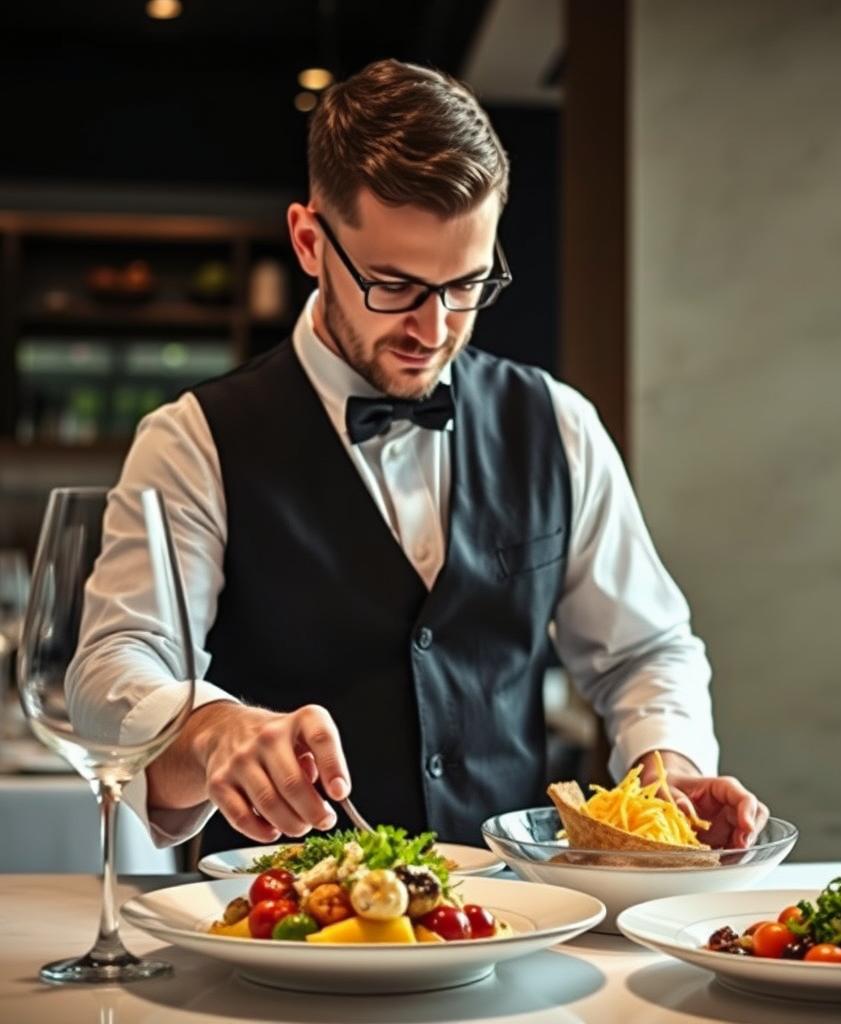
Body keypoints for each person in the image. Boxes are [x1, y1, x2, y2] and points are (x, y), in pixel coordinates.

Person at [68, 59, 768, 856]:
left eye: (466, 285)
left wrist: (665, 764)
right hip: (274, 931)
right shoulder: (192, 440)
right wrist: (213, 727)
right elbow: (111, 667)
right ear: (308, 240)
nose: (433, 331)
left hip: (509, 918)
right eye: (394, 286)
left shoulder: (559, 425)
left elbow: (647, 649)